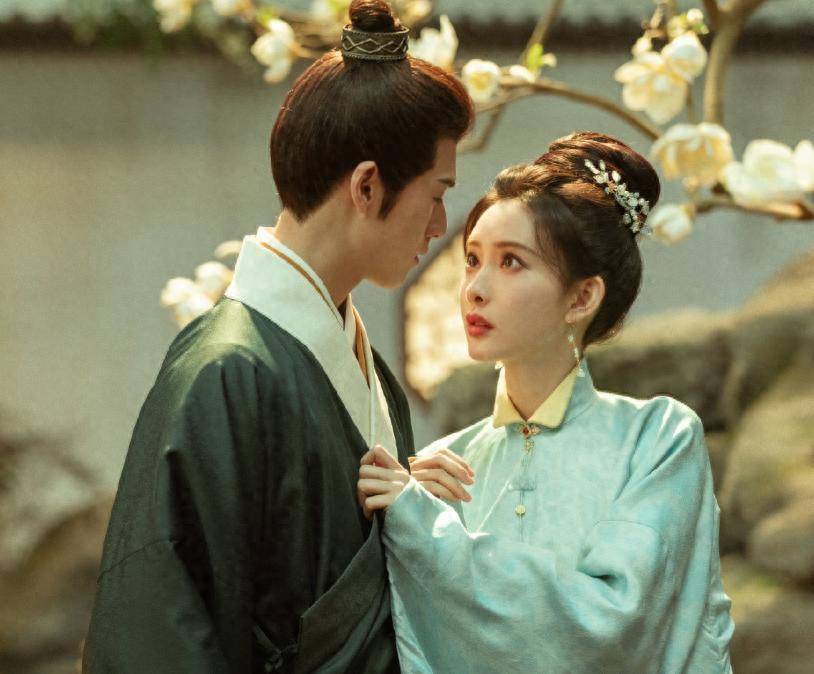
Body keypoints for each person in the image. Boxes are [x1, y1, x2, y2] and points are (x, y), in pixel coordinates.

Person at [81, 1, 473, 672]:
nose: (440, 226)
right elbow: (158, 625)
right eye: (436, 194)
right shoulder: (224, 369)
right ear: (368, 187)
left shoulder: (364, 372)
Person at [358, 132, 735, 673]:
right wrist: (405, 525)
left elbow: (613, 625)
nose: (474, 288)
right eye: (472, 260)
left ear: (582, 297)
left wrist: (430, 535)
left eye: (511, 262)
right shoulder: (440, 470)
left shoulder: (657, 439)